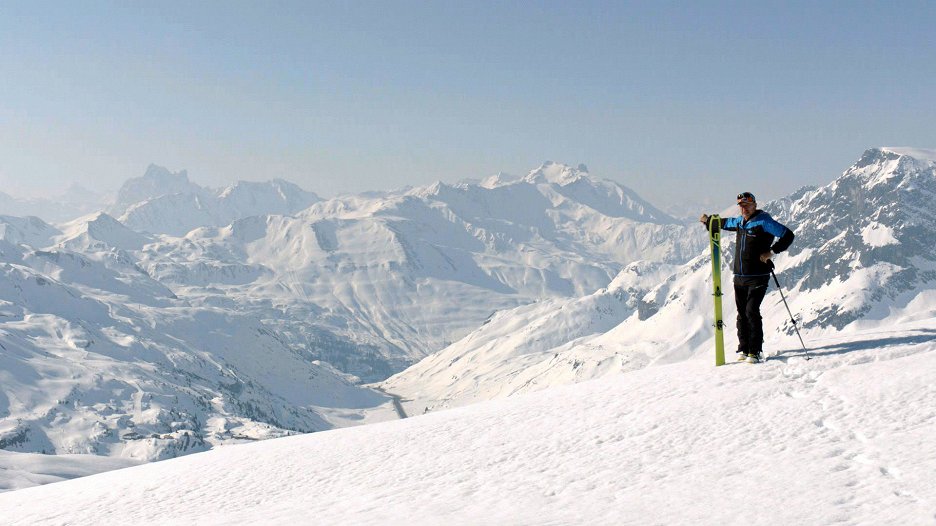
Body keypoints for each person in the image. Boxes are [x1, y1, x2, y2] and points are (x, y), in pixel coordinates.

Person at [699, 192, 795, 363]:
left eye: (747, 205)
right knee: (742, 314)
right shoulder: (739, 222)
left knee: (751, 311)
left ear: (754, 205)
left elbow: (788, 235)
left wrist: (771, 252)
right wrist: (709, 221)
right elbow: (724, 223)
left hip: (758, 276)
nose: (743, 208)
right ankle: (744, 349)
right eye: (741, 205)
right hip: (740, 276)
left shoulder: (764, 222)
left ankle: (755, 350)